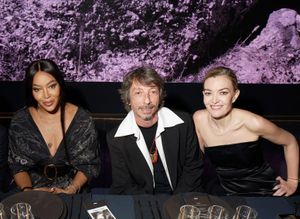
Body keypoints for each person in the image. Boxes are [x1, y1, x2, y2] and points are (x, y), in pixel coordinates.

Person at [193, 66, 299, 196]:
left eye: (223, 92)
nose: (214, 100)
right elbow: (196, 161)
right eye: (209, 93)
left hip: (262, 189)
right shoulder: (199, 119)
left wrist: (293, 182)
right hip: (225, 190)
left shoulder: (254, 123)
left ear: (235, 95)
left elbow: (290, 141)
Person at [107, 66, 204, 194]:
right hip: (142, 199)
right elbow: (123, 184)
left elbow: (194, 167)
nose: (147, 101)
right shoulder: (116, 138)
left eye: (153, 92)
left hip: (182, 195)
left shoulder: (183, 123)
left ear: (160, 96)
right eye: (138, 93)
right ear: (128, 99)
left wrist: (177, 201)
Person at [8, 59, 100, 194]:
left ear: (60, 85)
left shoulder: (83, 119)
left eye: (51, 86)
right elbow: (17, 167)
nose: (46, 96)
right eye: (37, 89)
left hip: (72, 190)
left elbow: (89, 165)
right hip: (32, 189)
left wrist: (72, 189)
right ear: (31, 91)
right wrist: (29, 192)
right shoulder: (20, 121)